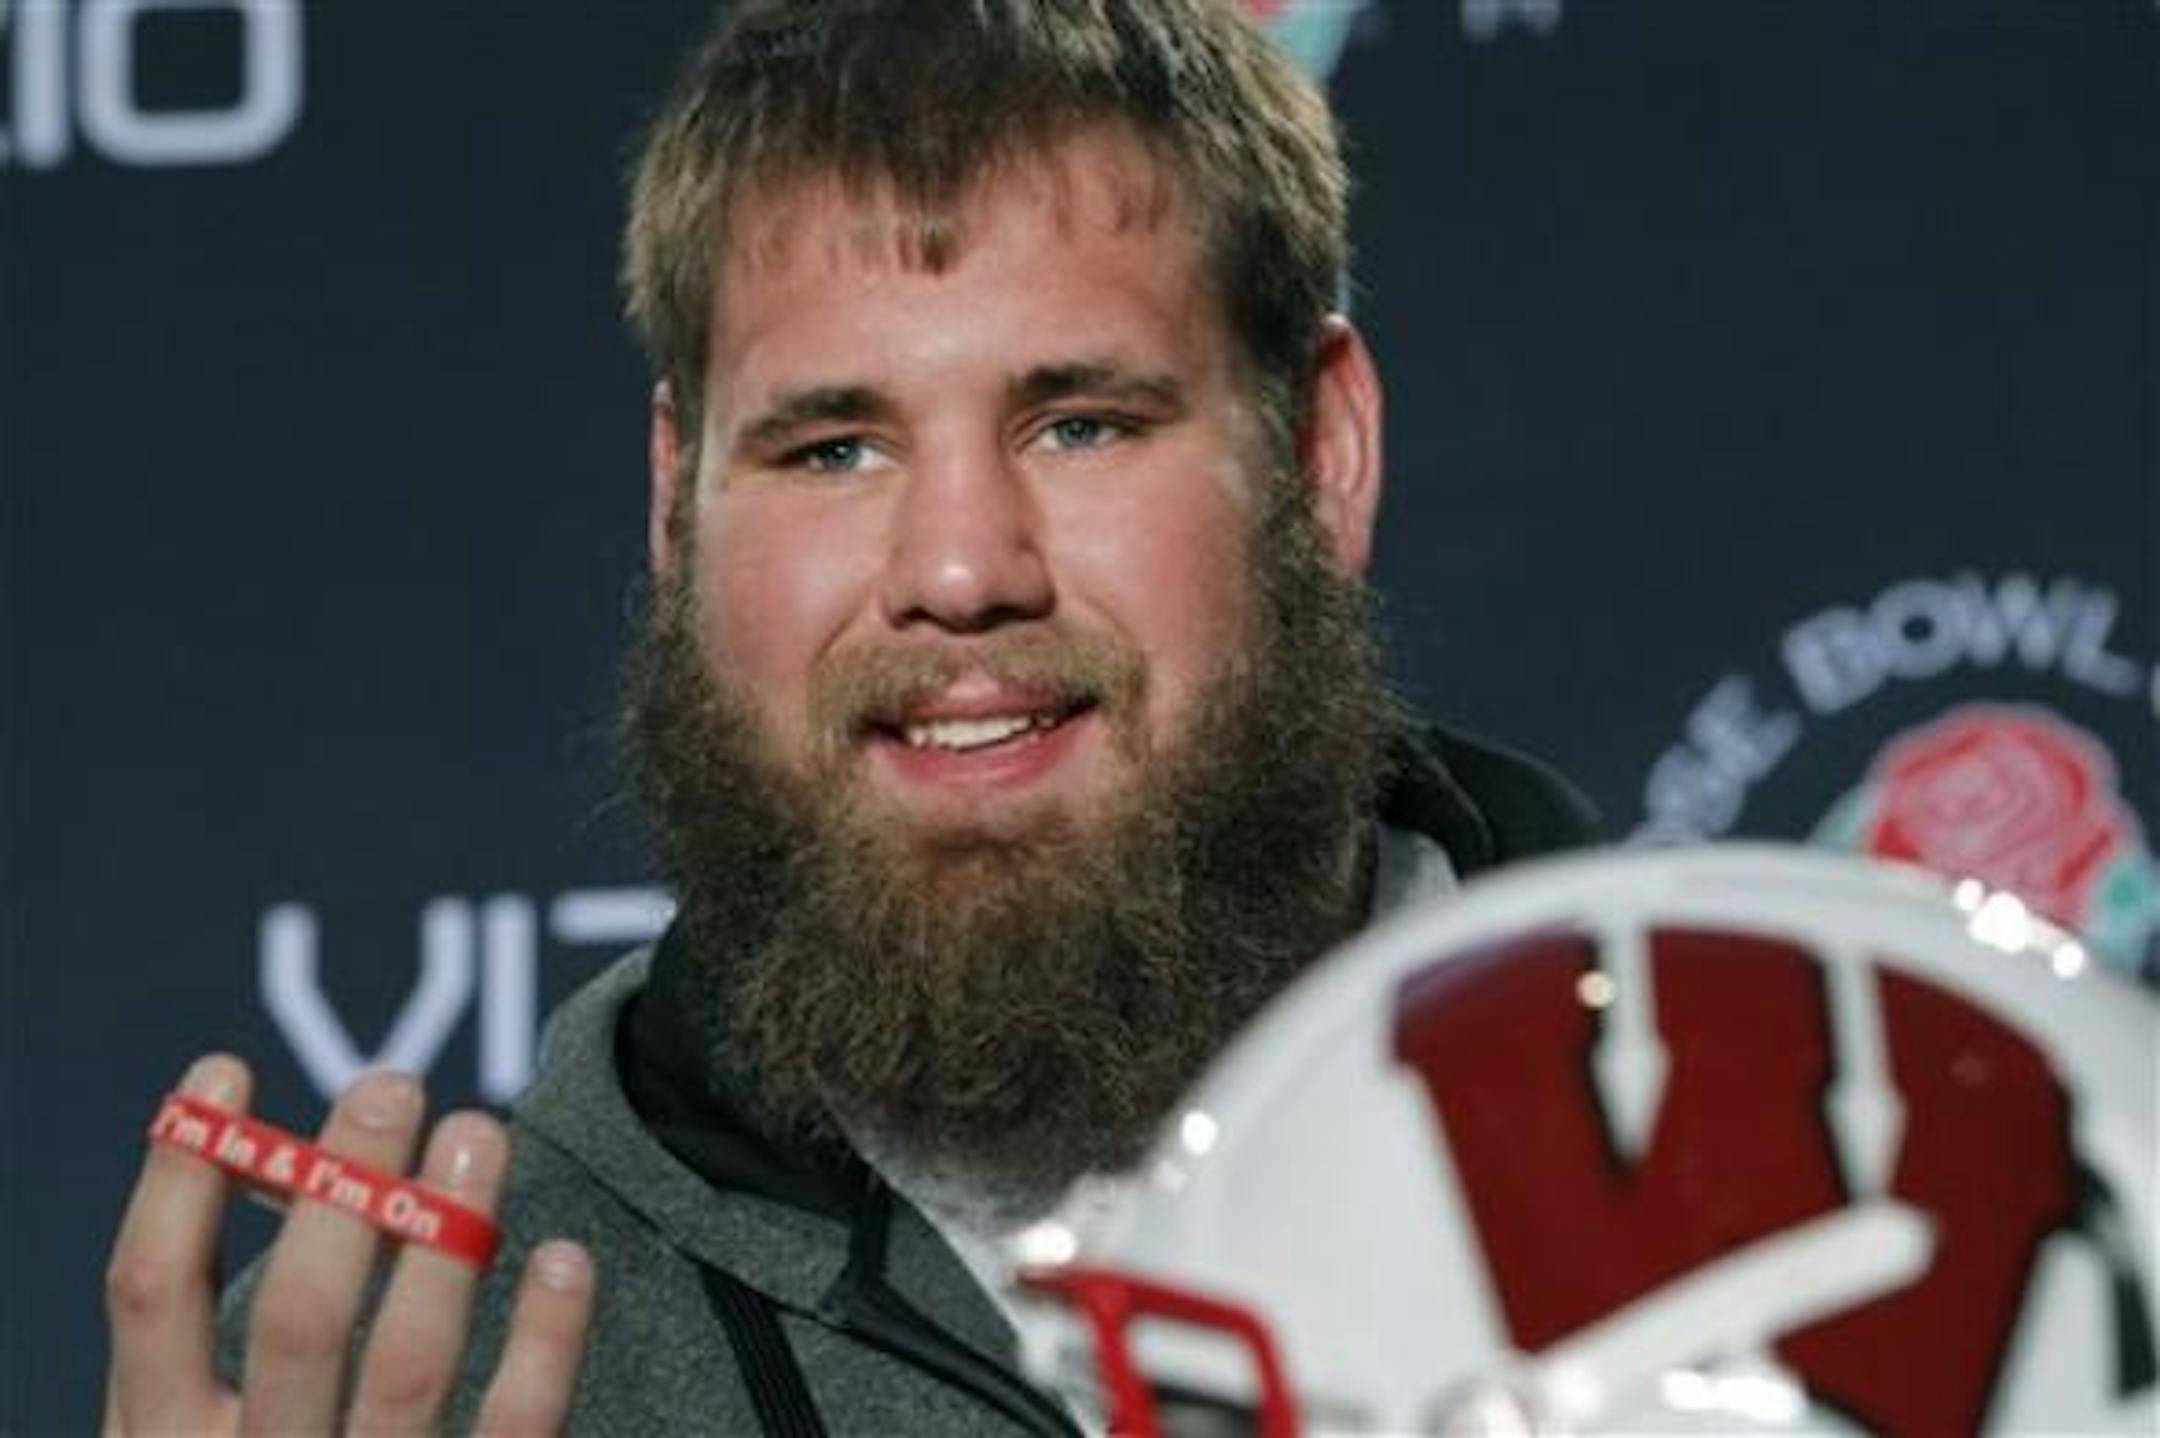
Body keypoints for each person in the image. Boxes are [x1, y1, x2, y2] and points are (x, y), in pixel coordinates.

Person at [103, 1, 1596, 1431]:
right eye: (833, 450)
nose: (959, 571)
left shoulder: (1736, 1147)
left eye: (1081, 426)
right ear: (677, 506)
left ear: (1324, 451)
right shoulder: (399, 1390)